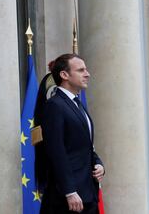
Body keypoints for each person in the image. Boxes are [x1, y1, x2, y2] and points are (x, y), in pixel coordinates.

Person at [40, 53, 105, 214]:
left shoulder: (76, 104)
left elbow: (84, 145)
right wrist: (69, 191)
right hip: (68, 198)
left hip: (88, 192)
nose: (87, 74)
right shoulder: (55, 105)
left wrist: (98, 163)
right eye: (81, 70)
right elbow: (56, 151)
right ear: (64, 75)